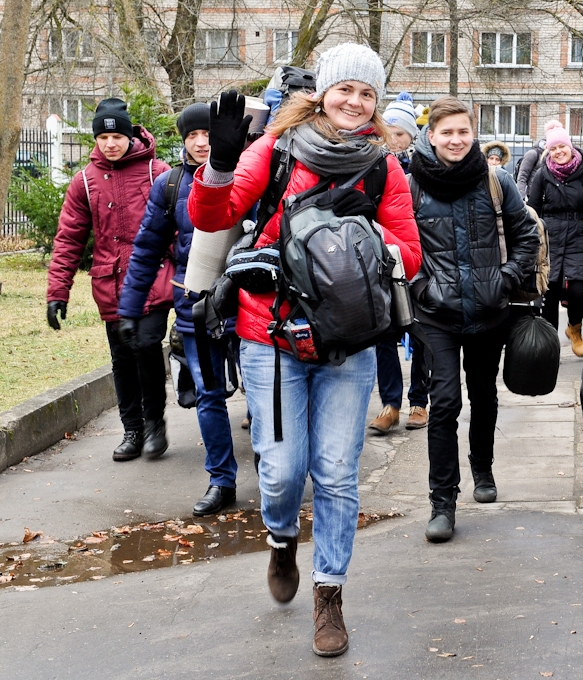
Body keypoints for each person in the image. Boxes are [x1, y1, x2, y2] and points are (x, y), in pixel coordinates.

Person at [188, 43, 422, 657]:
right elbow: (213, 216)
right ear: (323, 91)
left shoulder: (381, 166)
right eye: (345, 88)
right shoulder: (279, 149)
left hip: (349, 343)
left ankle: (330, 594)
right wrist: (219, 165)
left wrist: (359, 244)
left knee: (340, 473)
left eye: (367, 94)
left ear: (375, 105)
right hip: (271, 334)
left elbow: (411, 252)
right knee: (284, 470)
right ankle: (282, 537)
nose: (354, 101)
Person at [408, 96, 539, 543]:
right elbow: (399, 249)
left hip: (489, 311)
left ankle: (482, 469)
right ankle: (442, 502)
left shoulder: (496, 179)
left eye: (463, 131)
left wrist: (506, 278)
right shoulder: (411, 186)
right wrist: (422, 288)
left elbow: (527, 235)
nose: (456, 139)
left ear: (473, 133)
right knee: (444, 403)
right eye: (447, 132)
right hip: (436, 316)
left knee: (484, 395)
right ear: (431, 136)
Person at [118, 103, 241, 516]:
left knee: (261, 396)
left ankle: (277, 468)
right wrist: (130, 309)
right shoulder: (169, 186)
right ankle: (221, 480)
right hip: (197, 309)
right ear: (183, 141)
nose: (201, 142)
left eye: (207, 134)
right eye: (192, 136)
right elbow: (147, 249)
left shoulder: (248, 174)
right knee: (209, 395)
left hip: (249, 307)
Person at [46, 98, 173, 462]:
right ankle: (132, 429)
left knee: (147, 346)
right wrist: (58, 292)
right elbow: (69, 239)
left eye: (116, 135)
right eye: (103, 137)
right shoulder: (85, 182)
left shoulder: (157, 172)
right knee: (121, 357)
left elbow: (180, 228)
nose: (110, 144)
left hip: (153, 279)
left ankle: (154, 425)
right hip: (110, 283)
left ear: (129, 135)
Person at [369, 91, 429, 434]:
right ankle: (391, 404)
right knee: (384, 335)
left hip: (417, 264)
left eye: (400, 133)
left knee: (421, 334)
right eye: (387, 130)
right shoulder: (372, 164)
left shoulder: (422, 169)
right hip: (382, 265)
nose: (392, 139)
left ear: (412, 136)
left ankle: (419, 401)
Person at [528, 121, 583, 356]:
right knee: (551, 289)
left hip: (580, 235)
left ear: (570, 146)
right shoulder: (542, 176)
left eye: (561, 147)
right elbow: (532, 213)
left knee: (579, 291)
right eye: (553, 149)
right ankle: (549, 345)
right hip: (551, 238)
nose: (558, 152)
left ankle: (574, 328)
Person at [515, 120, 560, 200]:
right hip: (533, 197)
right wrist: (521, 199)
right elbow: (522, 176)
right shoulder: (533, 154)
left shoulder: (557, 155)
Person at [383, 91, 418, 172]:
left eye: (399, 134)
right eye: (387, 134)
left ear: (412, 134)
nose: (392, 140)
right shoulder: (374, 159)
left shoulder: (425, 163)